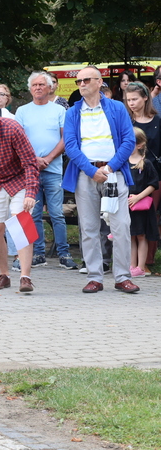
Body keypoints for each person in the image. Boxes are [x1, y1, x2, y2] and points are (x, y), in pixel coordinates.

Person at [63, 65, 140, 294]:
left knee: (121, 226)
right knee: (88, 228)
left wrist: (110, 167)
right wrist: (90, 170)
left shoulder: (117, 107)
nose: (81, 84)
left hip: (114, 173)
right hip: (86, 174)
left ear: (99, 82)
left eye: (86, 80)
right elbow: (70, 146)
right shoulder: (72, 112)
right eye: (78, 81)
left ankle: (122, 277)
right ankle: (95, 277)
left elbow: (128, 140)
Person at [15, 72, 74, 269]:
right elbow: (18, 140)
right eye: (35, 85)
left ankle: (64, 254)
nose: (38, 87)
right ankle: (38, 253)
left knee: (57, 213)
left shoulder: (59, 110)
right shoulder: (22, 111)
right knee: (34, 214)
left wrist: (48, 158)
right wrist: (33, 160)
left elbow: (66, 138)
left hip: (53, 169)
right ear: (30, 88)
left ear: (50, 88)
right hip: (29, 171)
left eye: (42, 84)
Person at [0, 116, 40, 293]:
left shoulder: (11, 128)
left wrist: (30, 193)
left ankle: (25, 277)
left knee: (20, 225)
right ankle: (4, 275)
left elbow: (30, 163)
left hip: (19, 178)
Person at [127, 128, 158, 278]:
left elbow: (153, 184)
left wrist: (138, 197)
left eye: (130, 142)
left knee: (141, 235)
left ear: (139, 145)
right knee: (131, 235)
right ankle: (131, 265)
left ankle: (140, 267)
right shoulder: (123, 163)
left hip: (141, 207)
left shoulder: (146, 163)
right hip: (127, 205)